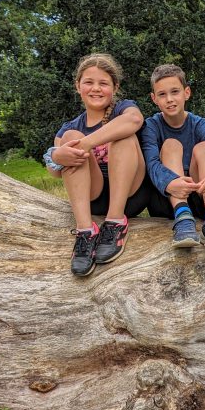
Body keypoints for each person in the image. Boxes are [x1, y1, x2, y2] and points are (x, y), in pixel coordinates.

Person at [44, 53, 146, 277]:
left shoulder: (124, 108)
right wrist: (57, 156)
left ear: (115, 87)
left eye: (103, 83)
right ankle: (86, 231)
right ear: (78, 86)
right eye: (89, 82)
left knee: (124, 135)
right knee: (70, 137)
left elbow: (134, 121)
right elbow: (54, 172)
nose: (96, 89)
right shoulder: (71, 126)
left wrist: (87, 143)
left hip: (130, 194)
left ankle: (116, 223)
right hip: (93, 198)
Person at [140, 64, 205, 251]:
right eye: (162, 94)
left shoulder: (200, 123)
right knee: (171, 145)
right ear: (154, 99)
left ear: (186, 92)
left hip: (202, 197)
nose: (170, 99)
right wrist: (171, 183)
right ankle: (183, 218)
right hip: (167, 200)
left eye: (175, 92)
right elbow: (151, 164)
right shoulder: (151, 125)